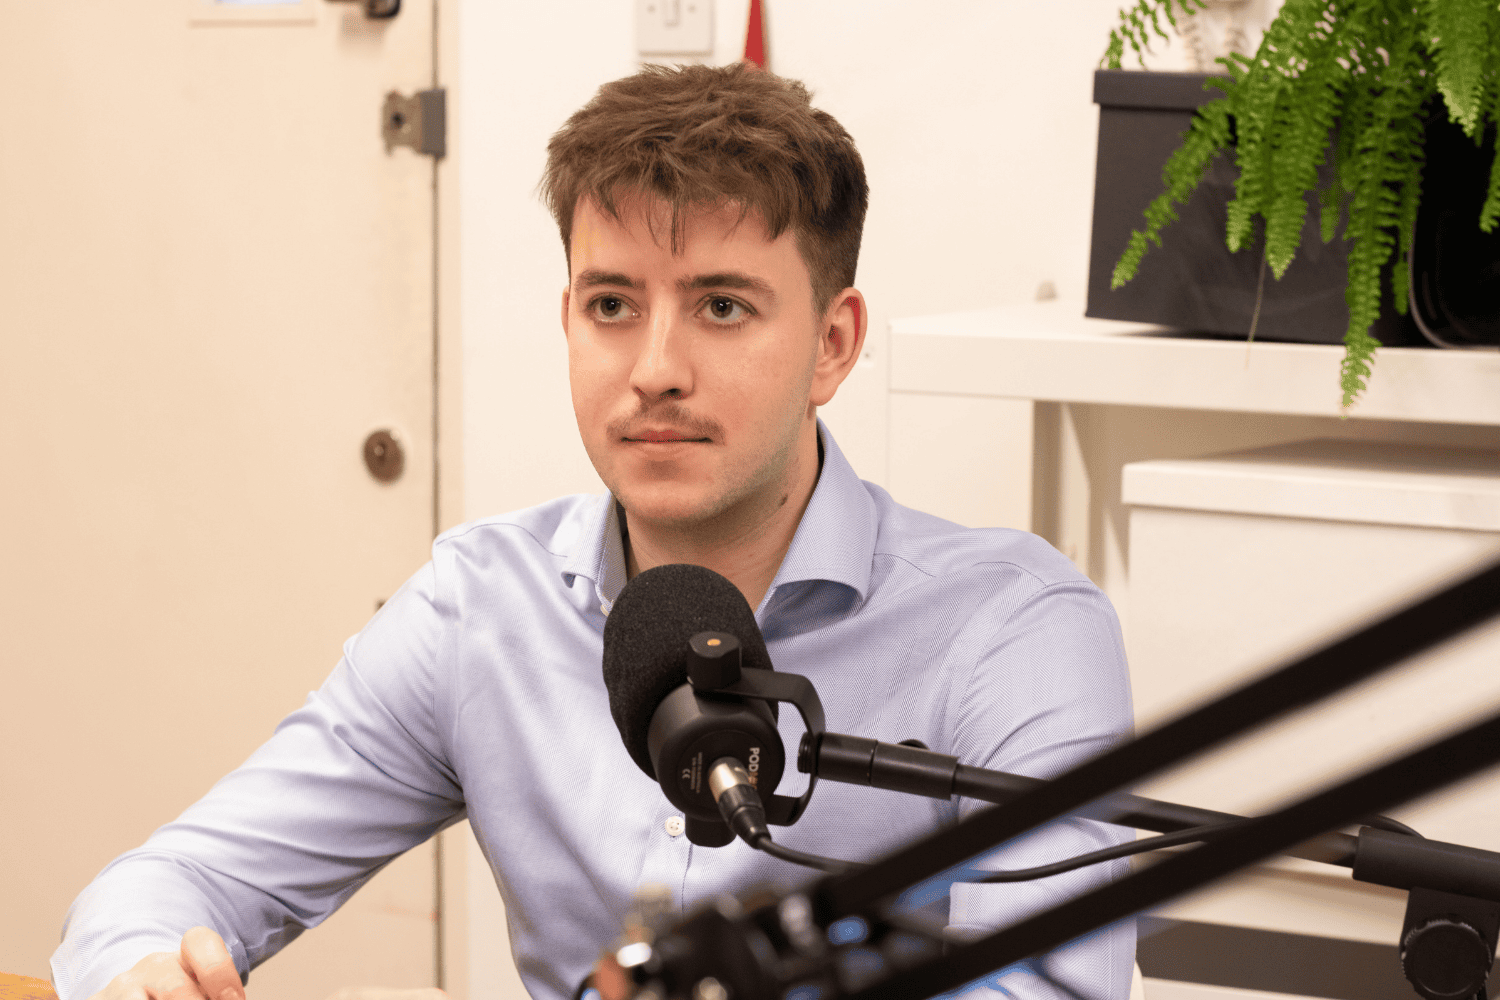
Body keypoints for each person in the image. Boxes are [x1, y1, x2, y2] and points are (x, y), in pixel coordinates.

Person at [52, 61, 1135, 1000]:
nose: (655, 368)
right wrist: (142, 965)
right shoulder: (483, 604)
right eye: (612, 304)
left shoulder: (1012, 631)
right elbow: (163, 886)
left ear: (833, 345)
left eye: (722, 306)